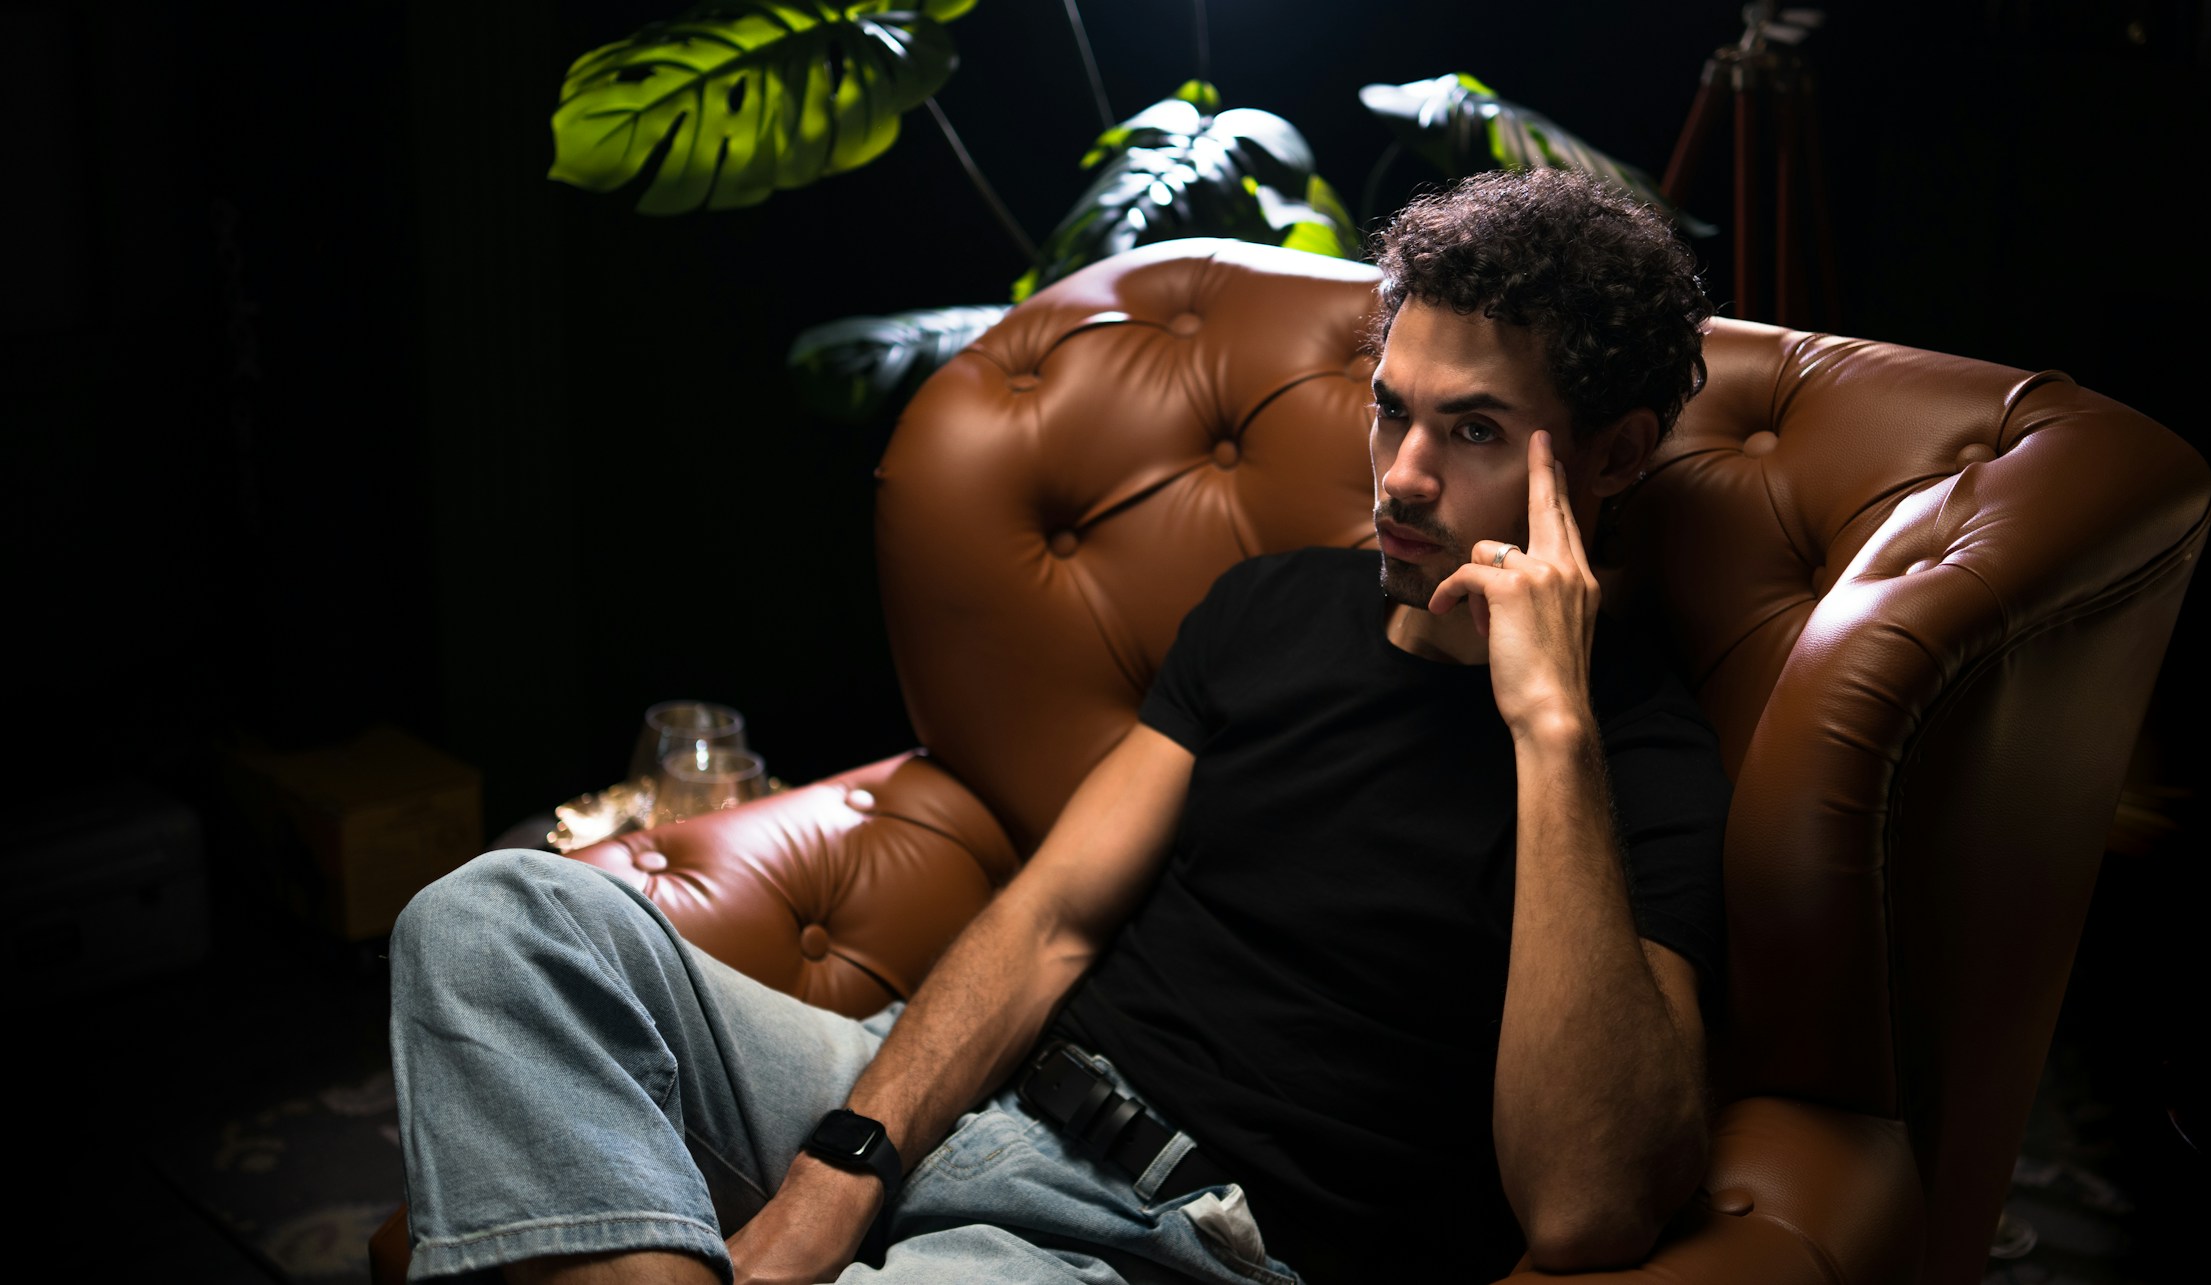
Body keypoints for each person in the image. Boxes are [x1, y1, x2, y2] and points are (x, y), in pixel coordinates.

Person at [388, 166, 1728, 1285]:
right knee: (493, 918)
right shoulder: (1271, 608)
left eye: (1475, 431)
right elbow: (1052, 920)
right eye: (1391, 409)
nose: (1404, 475)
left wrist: (1550, 725)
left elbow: (1585, 1205)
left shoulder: (1641, 759)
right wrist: (845, 1163)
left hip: (1169, 1240)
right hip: (968, 1094)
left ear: (1612, 455)